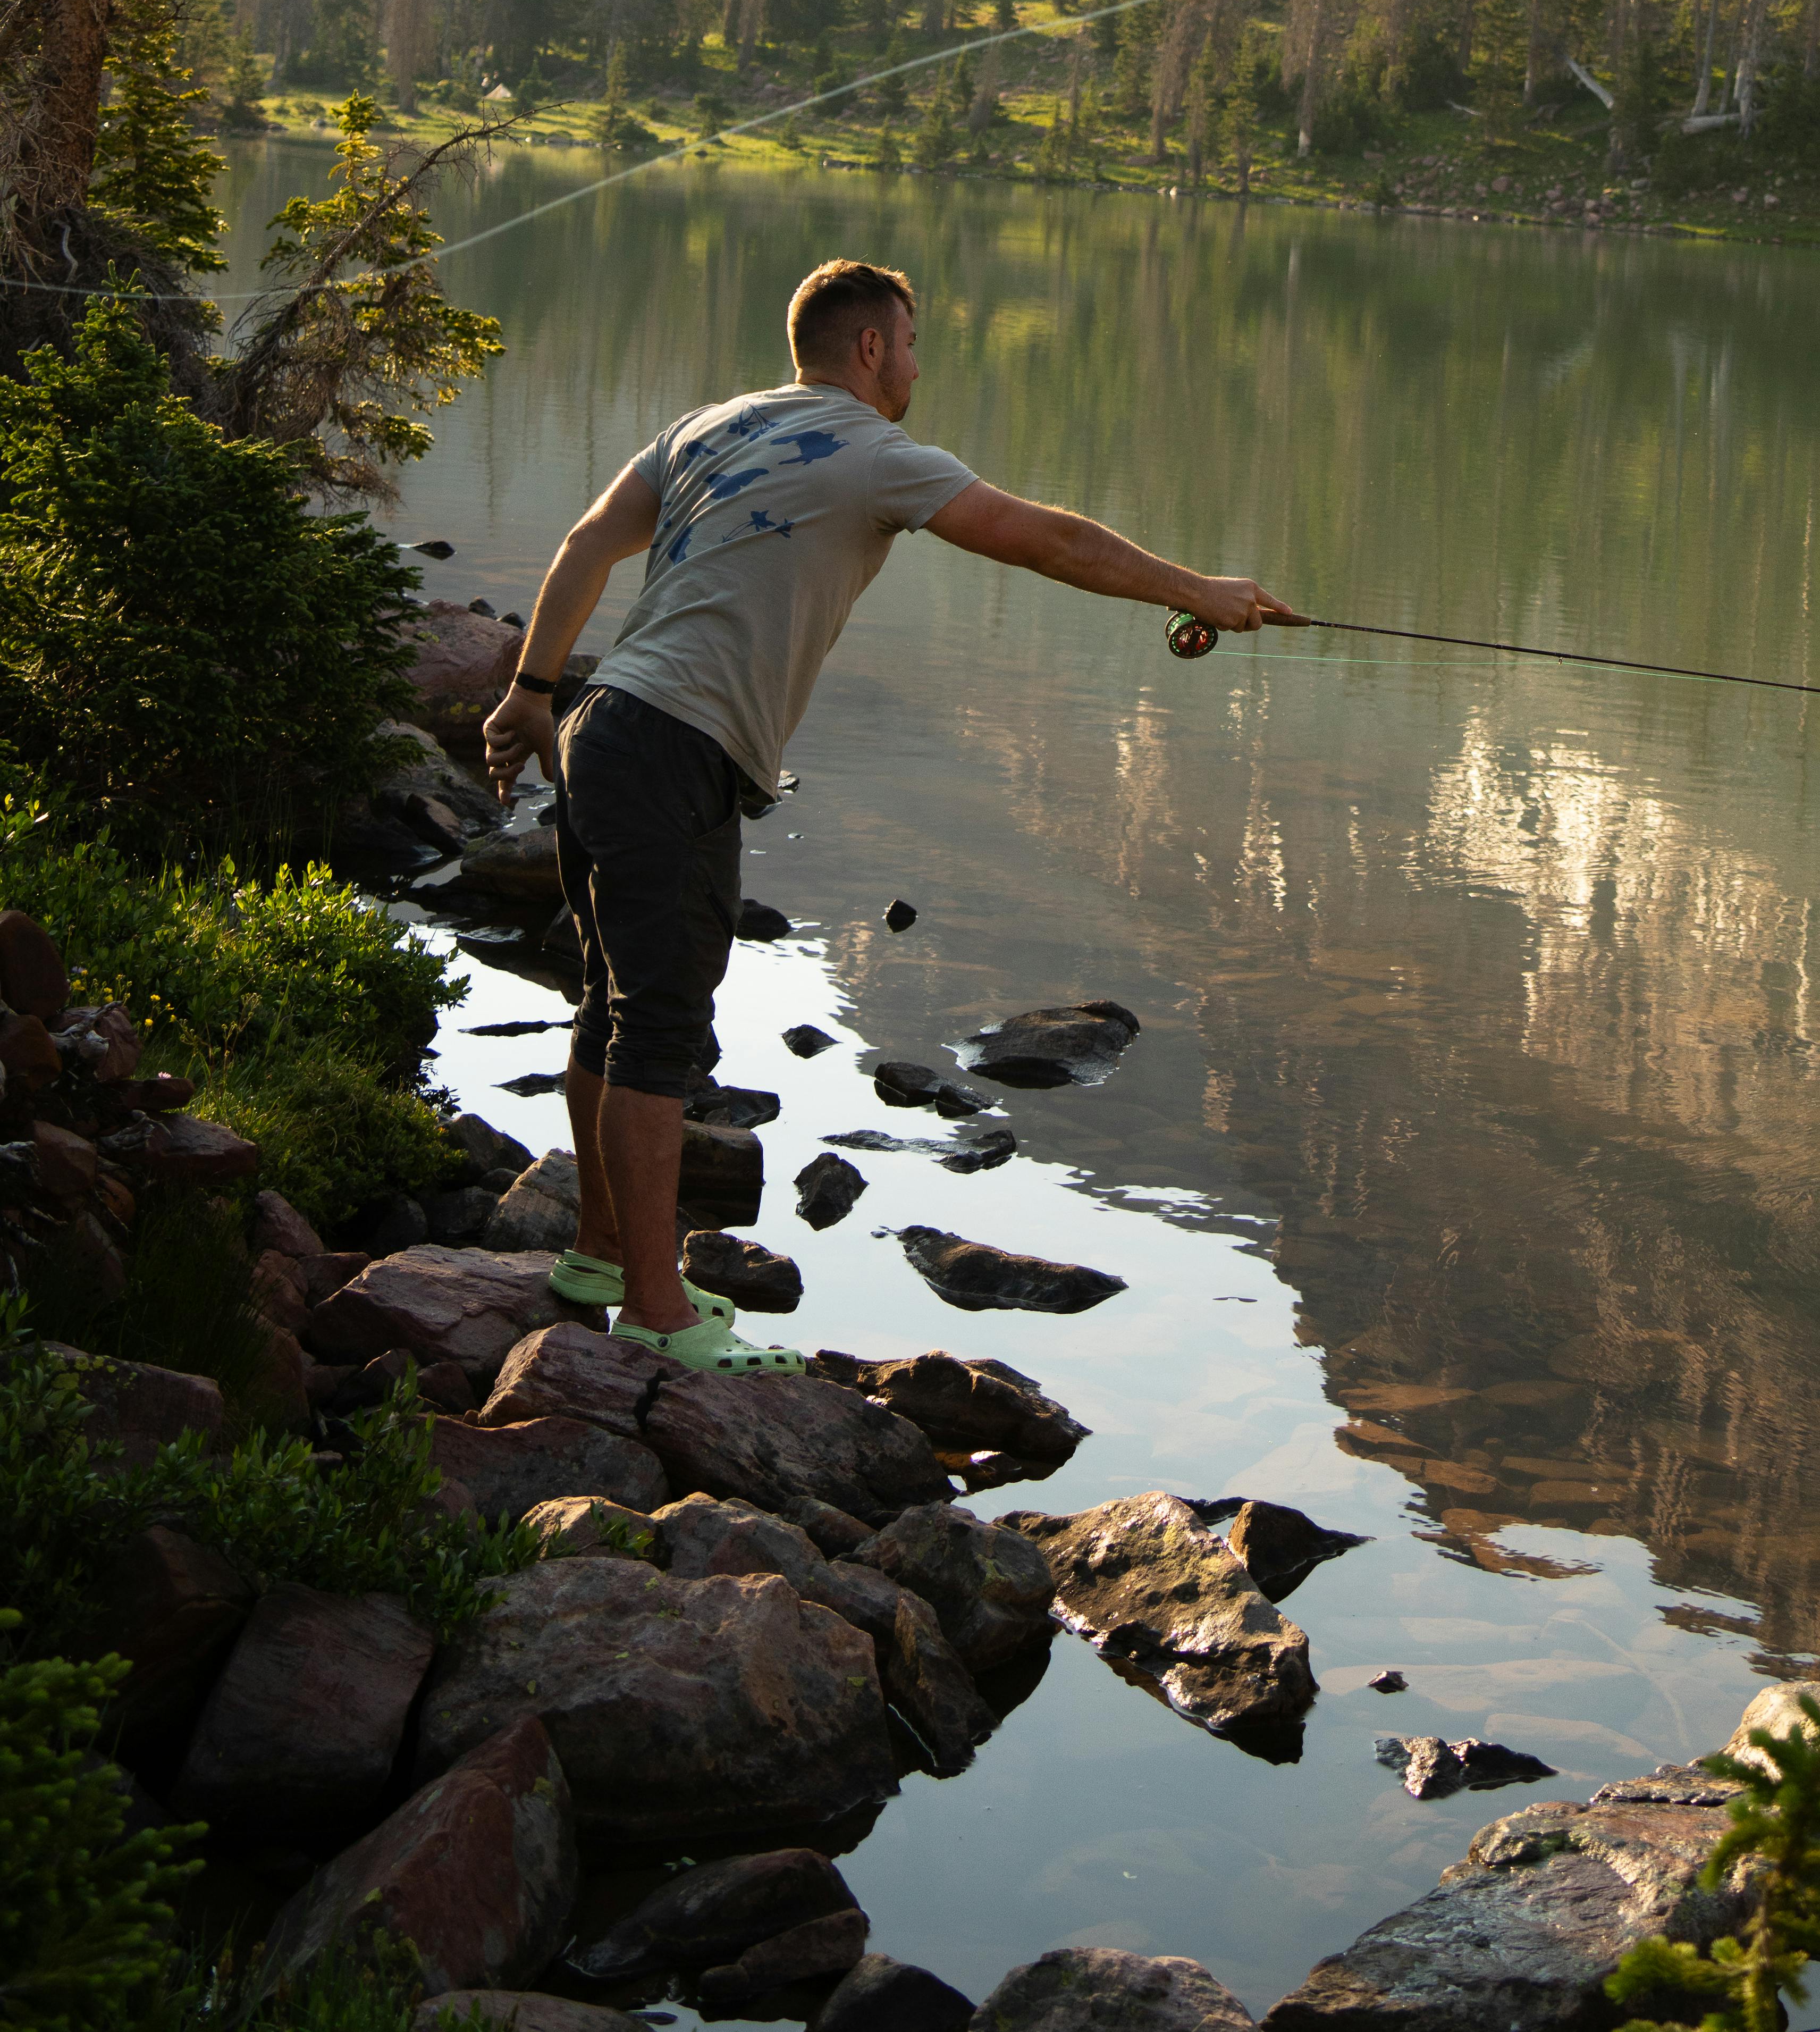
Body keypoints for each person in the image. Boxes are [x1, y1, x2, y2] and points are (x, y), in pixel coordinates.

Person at [481, 253, 1299, 1373]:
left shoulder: (705, 428)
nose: (916, 363)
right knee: (659, 1028)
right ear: (870, 347)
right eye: (911, 343)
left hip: (607, 723)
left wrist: (531, 693)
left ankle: (597, 1254)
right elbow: (1044, 538)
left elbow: (584, 545)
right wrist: (1193, 588)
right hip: (675, 746)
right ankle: (660, 1315)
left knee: (615, 1006)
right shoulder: (872, 453)